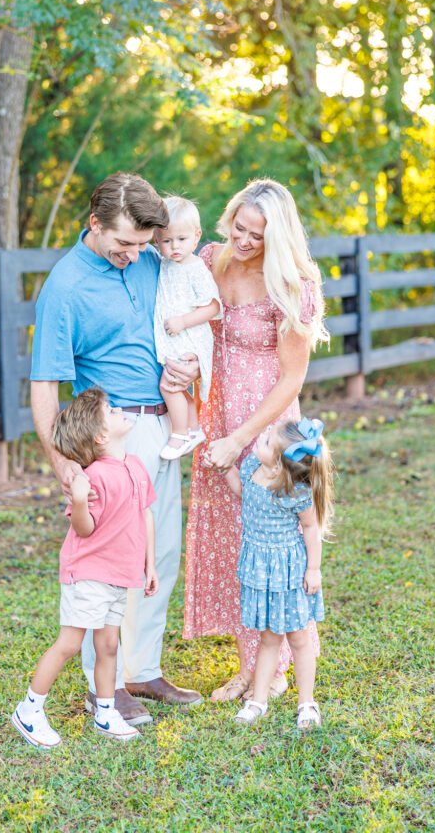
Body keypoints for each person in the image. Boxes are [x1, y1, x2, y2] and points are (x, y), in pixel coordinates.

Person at [30, 172, 202, 729]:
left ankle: (141, 669)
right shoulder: (65, 287)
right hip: (109, 440)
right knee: (109, 566)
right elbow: (43, 385)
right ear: (93, 224)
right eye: (122, 245)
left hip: (164, 428)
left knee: (161, 554)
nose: (133, 255)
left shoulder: (153, 258)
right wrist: (63, 464)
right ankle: (100, 688)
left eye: (141, 245)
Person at [182, 178, 329, 701]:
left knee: (265, 534)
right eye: (239, 227)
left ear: (279, 238)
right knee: (229, 534)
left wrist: (241, 437)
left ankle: (266, 668)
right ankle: (253, 659)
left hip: (261, 422)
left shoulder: (290, 285)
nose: (243, 241)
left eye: (257, 236)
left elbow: (292, 378)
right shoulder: (208, 258)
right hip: (213, 408)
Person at [11, 388, 159, 747]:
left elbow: (145, 515)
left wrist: (149, 564)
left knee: (108, 645)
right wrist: (78, 499)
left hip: (119, 575)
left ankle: (106, 712)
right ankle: (29, 710)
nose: (119, 409)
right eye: (110, 410)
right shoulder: (93, 478)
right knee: (70, 643)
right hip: (89, 573)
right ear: (102, 436)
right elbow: (83, 528)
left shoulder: (135, 466)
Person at [225, 417, 334, 731]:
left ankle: (307, 703)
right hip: (261, 569)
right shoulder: (251, 468)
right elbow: (242, 493)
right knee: (268, 638)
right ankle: (258, 700)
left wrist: (313, 569)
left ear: (277, 468)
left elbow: (311, 528)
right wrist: (226, 470)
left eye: (268, 441)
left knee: (298, 639)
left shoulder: (293, 491)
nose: (262, 438)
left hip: (288, 571)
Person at [153, 196, 221, 461]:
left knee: (169, 384)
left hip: (190, 336)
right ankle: (193, 429)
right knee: (179, 385)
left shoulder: (195, 269)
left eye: (181, 239)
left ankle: (179, 433)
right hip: (176, 337)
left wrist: (182, 321)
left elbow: (213, 307)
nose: (174, 247)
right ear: (156, 241)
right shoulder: (167, 264)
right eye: (166, 241)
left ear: (196, 236)